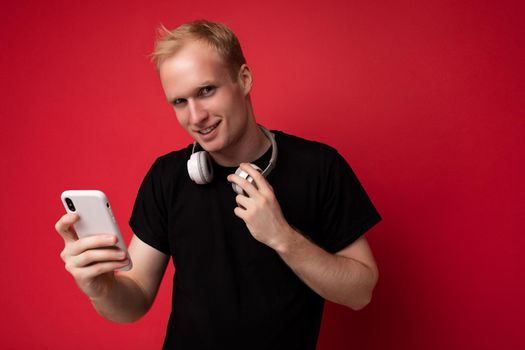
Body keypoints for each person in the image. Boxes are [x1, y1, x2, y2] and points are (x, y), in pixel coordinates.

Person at [55, 20, 381, 349]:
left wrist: (281, 237)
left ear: (244, 78)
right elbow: (134, 301)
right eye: (180, 102)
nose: (195, 116)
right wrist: (101, 289)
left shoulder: (320, 167)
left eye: (206, 91)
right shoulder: (167, 176)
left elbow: (360, 293)